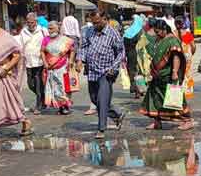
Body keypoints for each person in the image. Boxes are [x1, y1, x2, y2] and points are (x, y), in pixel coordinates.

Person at [0, 10, 33, 140]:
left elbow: (17, 56)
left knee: (10, 101)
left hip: (4, 74)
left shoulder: (6, 37)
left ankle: (25, 121)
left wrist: (6, 68)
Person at [78, 10, 126, 139]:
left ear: (105, 19)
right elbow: (83, 47)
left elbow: (121, 53)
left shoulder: (113, 33)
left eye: (97, 22)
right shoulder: (89, 32)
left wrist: (114, 67)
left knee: (103, 99)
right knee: (95, 99)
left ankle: (101, 128)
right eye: (93, 23)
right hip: (92, 70)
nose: (95, 25)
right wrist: (80, 60)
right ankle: (116, 114)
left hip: (107, 72)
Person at [140, 19, 194, 131]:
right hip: (158, 75)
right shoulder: (160, 38)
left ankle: (187, 120)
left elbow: (187, 50)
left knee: (175, 99)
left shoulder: (182, 36)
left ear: (165, 29)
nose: (157, 34)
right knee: (155, 98)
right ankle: (157, 121)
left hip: (170, 73)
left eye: (158, 31)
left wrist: (175, 71)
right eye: (156, 32)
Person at [41, 20, 75, 115]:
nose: (50, 30)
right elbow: (42, 52)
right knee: (54, 88)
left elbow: (72, 50)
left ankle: (65, 106)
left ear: (58, 28)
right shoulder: (45, 39)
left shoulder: (65, 40)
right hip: (51, 68)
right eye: (49, 28)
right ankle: (60, 106)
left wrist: (71, 61)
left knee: (63, 87)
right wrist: (45, 63)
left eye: (52, 28)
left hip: (62, 67)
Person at [19, 12, 46, 114]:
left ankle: (38, 106)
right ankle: (43, 98)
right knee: (30, 84)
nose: (30, 24)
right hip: (28, 62)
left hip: (39, 61)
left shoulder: (42, 30)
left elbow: (48, 42)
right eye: (28, 22)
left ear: (36, 22)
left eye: (32, 22)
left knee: (39, 83)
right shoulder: (23, 32)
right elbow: (20, 45)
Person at [123, 14, 144, 98]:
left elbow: (124, 43)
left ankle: (135, 89)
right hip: (139, 53)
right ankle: (140, 89)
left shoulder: (128, 31)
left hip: (130, 53)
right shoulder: (140, 31)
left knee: (132, 70)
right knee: (139, 71)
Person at [62, 14, 82, 94]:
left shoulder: (64, 19)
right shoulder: (75, 20)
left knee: (67, 53)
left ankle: (68, 65)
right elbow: (77, 31)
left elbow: (62, 30)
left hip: (66, 37)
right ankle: (74, 66)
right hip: (74, 37)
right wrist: (79, 38)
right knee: (74, 52)